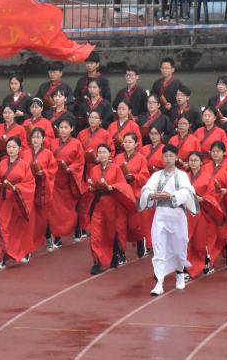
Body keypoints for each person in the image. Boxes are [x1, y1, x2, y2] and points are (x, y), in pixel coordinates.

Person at [139, 145, 197, 295]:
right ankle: (159, 282)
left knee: (179, 247)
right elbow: (146, 188)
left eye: (171, 156)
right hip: (160, 216)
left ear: (176, 157)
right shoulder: (157, 175)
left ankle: (180, 273)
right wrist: (152, 195)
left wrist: (171, 196)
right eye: (165, 156)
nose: (168, 159)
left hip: (177, 216)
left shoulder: (182, 175)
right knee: (158, 248)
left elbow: (188, 191)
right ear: (162, 158)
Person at [83, 144, 136, 274]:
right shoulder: (94, 169)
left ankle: (114, 254)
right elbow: (90, 184)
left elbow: (123, 185)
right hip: (97, 203)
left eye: (104, 152)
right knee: (96, 234)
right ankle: (97, 261)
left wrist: (112, 187)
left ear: (109, 154)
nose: (101, 155)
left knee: (111, 231)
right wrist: (91, 188)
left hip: (112, 204)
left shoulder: (116, 168)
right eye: (99, 152)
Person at [0, 137, 36, 268]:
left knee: (18, 227)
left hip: (18, 199)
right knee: (3, 226)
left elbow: (30, 183)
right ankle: (2, 257)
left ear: (19, 149)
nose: (11, 149)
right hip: (4, 200)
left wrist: (16, 188)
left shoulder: (24, 164)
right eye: (9, 147)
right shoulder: (2, 163)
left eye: (14, 147)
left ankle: (21, 251)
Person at [50, 117, 85, 246]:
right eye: (61, 127)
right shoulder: (52, 142)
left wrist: (71, 168)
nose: (63, 130)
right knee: (55, 210)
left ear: (72, 129)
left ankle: (76, 228)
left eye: (66, 127)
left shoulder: (77, 143)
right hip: (56, 179)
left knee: (70, 208)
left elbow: (80, 161)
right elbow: (48, 158)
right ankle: (57, 236)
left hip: (69, 180)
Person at [119, 132, 152, 257]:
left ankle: (139, 240)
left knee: (134, 224)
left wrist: (133, 177)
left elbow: (145, 176)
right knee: (120, 224)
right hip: (122, 193)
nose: (127, 144)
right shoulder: (118, 157)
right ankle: (120, 252)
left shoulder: (141, 158)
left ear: (136, 144)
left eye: (130, 142)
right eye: (125, 142)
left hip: (135, 193)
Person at [26, 127, 58, 252]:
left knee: (43, 215)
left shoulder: (48, 153)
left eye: (38, 137)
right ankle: (29, 242)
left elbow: (53, 169)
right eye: (33, 137)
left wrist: (43, 172)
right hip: (29, 187)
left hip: (42, 187)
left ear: (43, 139)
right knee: (29, 215)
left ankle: (48, 236)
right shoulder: (25, 153)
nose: (35, 140)